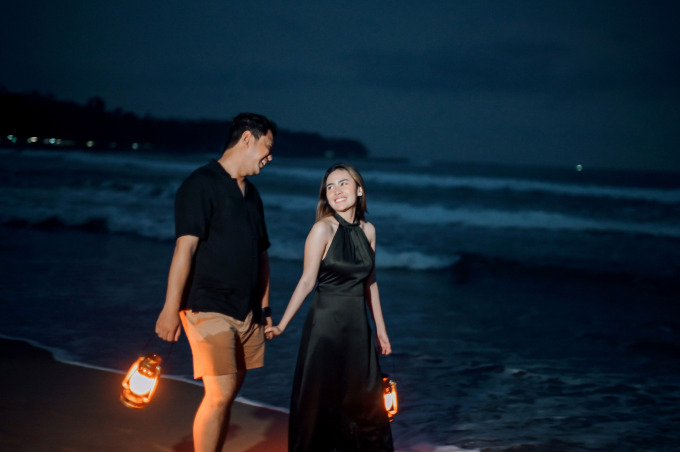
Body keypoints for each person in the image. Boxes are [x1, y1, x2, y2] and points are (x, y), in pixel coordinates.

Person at [155, 112, 277, 452]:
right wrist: (170, 309)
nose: (270, 156)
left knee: (227, 395)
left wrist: (265, 311)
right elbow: (185, 249)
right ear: (247, 139)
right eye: (267, 147)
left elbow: (261, 256)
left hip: (247, 311)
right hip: (207, 305)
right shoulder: (200, 185)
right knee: (219, 393)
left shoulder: (252, 195)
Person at [266, 163, 394, 452]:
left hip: (358, 328)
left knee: (365, 399)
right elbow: (306, 281)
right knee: (322, 399)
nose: (336, 191)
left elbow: (370, 282)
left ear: (359, 190)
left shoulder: (369, 230)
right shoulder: (321, 229)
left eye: (343, 183)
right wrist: (282, 325)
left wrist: (380, 330)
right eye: (330, 187)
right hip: (325, 328)